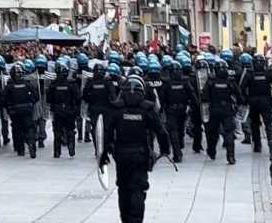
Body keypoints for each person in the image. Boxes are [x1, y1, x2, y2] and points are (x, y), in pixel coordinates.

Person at [100, 75, 170, 223]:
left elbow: (106, 132)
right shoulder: (147, 109)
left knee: (123, 188)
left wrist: (104, 153)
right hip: (140, 155)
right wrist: (165, 150)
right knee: (138, 188)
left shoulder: (116, 108)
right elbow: (161, 131)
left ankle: (125, 219)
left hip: (121, 155)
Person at [203, 61, 242, 165]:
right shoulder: (230, 82)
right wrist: (238, 106)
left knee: (212, 133)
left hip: (214, 110)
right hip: (227, 110)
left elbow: (204, 97)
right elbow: (239, 96)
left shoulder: (210, 82)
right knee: (229, 133)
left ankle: (211, 151)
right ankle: (230, 156)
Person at [160, 61, 197, 163]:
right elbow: (192, 96)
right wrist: (195, 107)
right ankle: (178, 150)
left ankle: (177, 153)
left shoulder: (167, 84)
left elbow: (162, 99)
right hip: (182, 110)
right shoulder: (185, 82)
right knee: (179, 130)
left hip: (171, 111)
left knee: (174, 132)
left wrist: (160, 110)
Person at [240, 55, 272, 153]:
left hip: (253, 102)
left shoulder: (249, 74)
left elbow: (242, 88)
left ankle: (257, 145)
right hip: (266, 102)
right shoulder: (268, 73)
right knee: (268, 123)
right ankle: (271, 142)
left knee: (254, 124)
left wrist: (245, 100)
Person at [1, 63, 39, 158]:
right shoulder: (28, 84)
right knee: (29, 127)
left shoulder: (9, 87)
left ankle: (20, 149)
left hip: (15, 111)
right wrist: (31, 104)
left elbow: (4, 100)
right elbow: (36, 97)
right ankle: (31, 143)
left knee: (18, 130)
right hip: (27, 110)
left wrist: (9, 108)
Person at [47, 62, 81, 158]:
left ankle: (57, 152)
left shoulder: (53, 84)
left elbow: (48, 99)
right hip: (69, 110)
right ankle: (71, 148)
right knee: (70, 130)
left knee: (57, 132)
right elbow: (78, 97)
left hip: (57, 111)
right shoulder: (71, 84)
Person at [83, 63, 117, 152]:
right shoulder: (108, 83)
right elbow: (113, 97)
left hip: (94, 109)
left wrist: (91, 100)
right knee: (107, 129)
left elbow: (85, 95)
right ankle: (107, 146)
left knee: (94, 129)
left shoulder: (90, 83)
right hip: (107, 110)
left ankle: (97, 148)